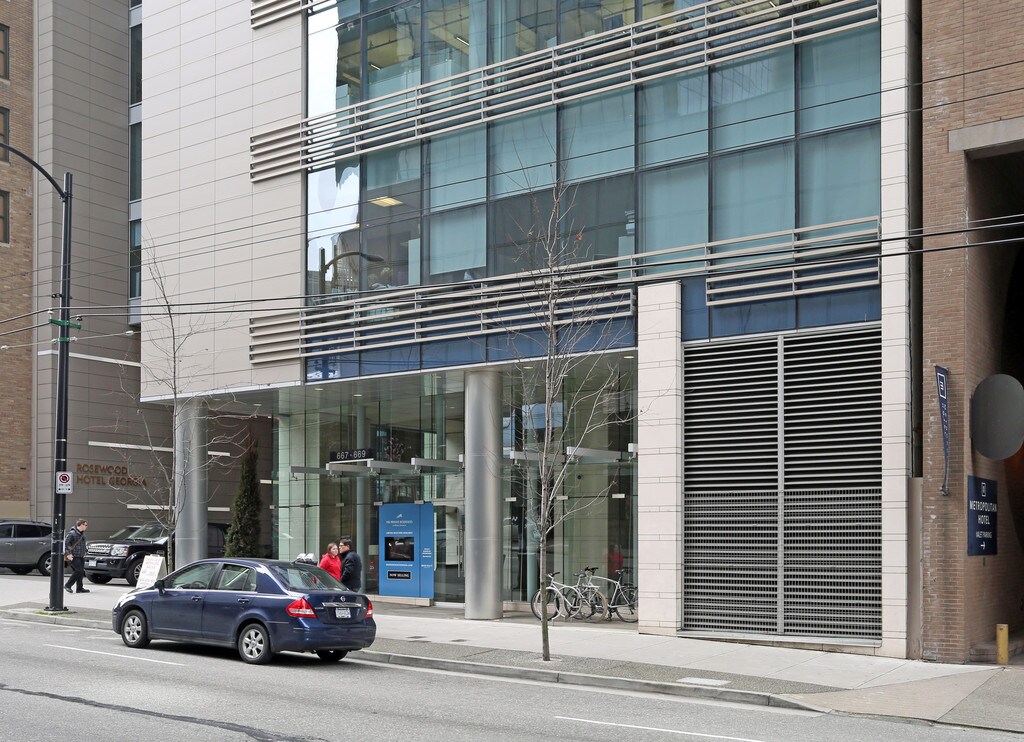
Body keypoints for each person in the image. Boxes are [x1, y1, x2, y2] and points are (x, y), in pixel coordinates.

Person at [64, 519, 90, 594]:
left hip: (81, 555)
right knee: (78, 571)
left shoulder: (82, 534)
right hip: (74, 556)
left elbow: (82, 545)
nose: (86, 526)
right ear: (81, 525)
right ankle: (68, 585)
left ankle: (79, 588)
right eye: (85, 525)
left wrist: (85, 551)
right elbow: (66, 544)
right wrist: (68, 554)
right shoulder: (72, 533)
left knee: (80, 572)